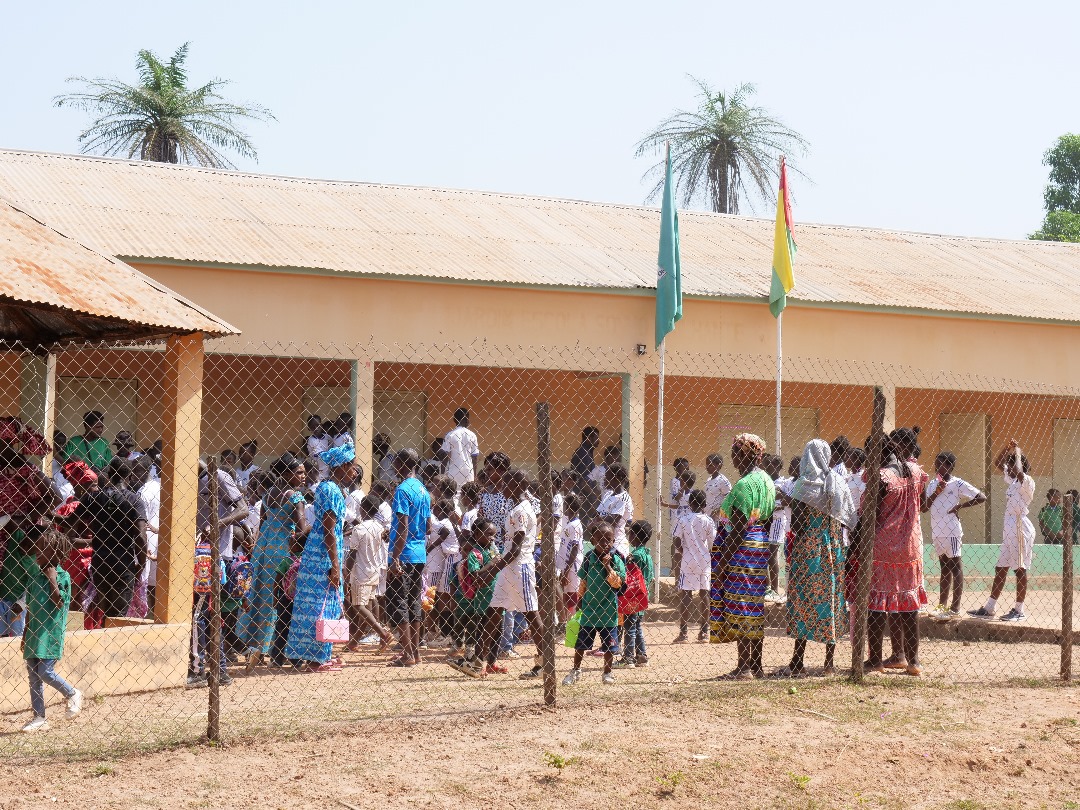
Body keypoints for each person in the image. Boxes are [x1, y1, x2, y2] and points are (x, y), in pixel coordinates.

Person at [778, 439, 857, 677]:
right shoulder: (838, 483)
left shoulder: (804, 485)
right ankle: (829, 663)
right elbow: (849, 519)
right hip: (832, 549)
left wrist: (791, 502)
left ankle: (797, 660)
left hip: (807, 551)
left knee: (803, 600)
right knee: (830, 599)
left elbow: (800, 524)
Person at [862, 427, 929, 676]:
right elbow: (919, 499)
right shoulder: (915, 472)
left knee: (877, 603)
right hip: (910, 546)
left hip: (883, 547)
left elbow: (871, 515)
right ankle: (912, 660)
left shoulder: (881, 477)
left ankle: (875, 659)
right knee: (908, 604)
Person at [711, 433, 776, 680]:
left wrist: (723, 563)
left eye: (734, 452)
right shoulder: (767, 481)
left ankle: (743, 666)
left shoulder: (742, 486)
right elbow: (767, 519)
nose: (732, 457)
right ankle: (757, 664)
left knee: (740, 603)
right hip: (759, 546)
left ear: (742, 455)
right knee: (754, 604)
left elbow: (737, 530)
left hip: (741, 550)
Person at [285, 444, 356, 671]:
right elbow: (328, 529)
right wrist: (335, 565)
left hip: (317, 552)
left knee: (313, 605)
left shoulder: (326, 488)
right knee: (324, 606)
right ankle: (318, 658)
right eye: (352, 467)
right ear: (343, 467)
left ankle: (318, 653)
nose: (354, 472)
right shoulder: (332, 491)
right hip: (325, 555)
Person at [244, 454, 308, 670]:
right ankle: (275, 648)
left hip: (262, 550)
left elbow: (262, 523)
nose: (303, 475)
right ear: (287, 473)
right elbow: (301, 528)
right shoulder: (295, 497)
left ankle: (256, 647)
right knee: (280, 599)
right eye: (298, 472)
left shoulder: (269, 494)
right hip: (283, 551)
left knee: (260, 596)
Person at [19, 527, 81, 733]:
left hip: (50, 634)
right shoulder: (34, 577)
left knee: (45, 672)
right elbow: (30, 608)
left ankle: (72, 693)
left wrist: (52, 578)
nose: (37, 552)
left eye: (42, 549)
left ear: (55, 553)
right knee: (33, 676)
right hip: (34, 634)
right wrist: (25, 633)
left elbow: (59, 602)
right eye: (37, 548)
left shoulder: (62, 577)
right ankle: (39, 717)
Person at [969, 441, 1036, 623]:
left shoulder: (1027, 481)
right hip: (1009, 528)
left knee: (1020, 569)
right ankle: (990, 607)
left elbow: (1021, 473)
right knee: (1001, 567)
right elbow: (998, 463)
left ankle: (1019, 610)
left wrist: (1019, 451)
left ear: (1020, 466)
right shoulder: (1013, 480)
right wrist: (1008, 448)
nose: (1009, 467)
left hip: (1021, 528)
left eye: (1013, 463)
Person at [74, 458, 147, 620]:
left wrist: (47, 513)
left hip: (100, 560)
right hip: (123, 562)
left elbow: (69, 521)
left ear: (109, 474)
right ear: (129, 477)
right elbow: (141, 537)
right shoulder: (134, 500)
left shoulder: (92, 498)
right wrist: (141, 564)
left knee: (105, 612)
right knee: (118, 616)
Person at [490, 469, 546, 679]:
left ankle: (544, 664)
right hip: (508, 567)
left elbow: (516, 548)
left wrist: (491, 571)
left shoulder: (522, 510)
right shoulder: (514, 508)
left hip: (520, 566)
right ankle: (483, 659)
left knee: (531, 614)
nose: (501, 487)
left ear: (516, 485)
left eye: (505, 483)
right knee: (494, 609)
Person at [923, 451, 986, 620]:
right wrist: (936, 492)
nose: (937, 467)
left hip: (951, 531)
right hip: (937, 531)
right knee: (944, 568)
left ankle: (955, 607)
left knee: (955, 567)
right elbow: (924, 507)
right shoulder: (932, 484)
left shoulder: (958, 484)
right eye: (936, 463)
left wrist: (960, 506)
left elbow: (981, 497)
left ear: (950, 466)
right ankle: (941, 606)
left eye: (941, 464)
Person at [562, 521, 626, 686]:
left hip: (609, 610)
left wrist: (608, 567)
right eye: (600, 539)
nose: (604, 543)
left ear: (613, 541)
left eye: (608, 539)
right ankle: (576, 670)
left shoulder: (616, 558)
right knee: (581, 644)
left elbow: (618, 583)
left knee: (610, 646)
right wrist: (580, 600)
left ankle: (607, 673)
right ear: (592, 540)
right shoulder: (589, 558)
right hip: (590, 610)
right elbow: (583, 581)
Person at [385, 449, 432, 667]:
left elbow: (402, 526)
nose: (393, 466)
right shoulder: (423, 489)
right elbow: (428, 525)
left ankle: (407, 654)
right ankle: (416, 653)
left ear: (402, 464)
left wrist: (394, 557)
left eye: (395, 462)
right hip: (419, 552)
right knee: (414, 602)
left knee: (401, 603)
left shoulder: (402, 490)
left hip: (403, 553)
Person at [344, 495, 394, 651]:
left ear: (362, 509)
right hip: (374, 570)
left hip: (360, 572)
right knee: (370, 603)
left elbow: (352, 554)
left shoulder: (358, 529)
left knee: (359, 606)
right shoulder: (379, 527)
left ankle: (382, 633)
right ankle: (354, 642)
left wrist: (346, 573)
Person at [673, 489, 712, 644]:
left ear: (690, 504)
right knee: (705, 594)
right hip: (704, 559)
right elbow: (712, 542)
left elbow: (676, 541)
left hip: (687, 559)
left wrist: (684, 551)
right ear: (704, 504)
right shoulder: (708, 520)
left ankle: (683, 633)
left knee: (686, 595)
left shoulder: (683, 519)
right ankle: (704, 632)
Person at [617, 519, 655, 669]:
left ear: (636, 536)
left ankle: (628, 657)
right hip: (642, 597)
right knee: (636, 625)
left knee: (629, 627)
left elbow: (629, 575)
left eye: (630, 534)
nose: (628, 537)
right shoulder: (647, 554)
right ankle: (642, 655)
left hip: (633, 596)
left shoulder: (635, 556)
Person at [765, 455, 797, 604]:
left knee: (772, 554)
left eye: (769, 465)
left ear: (777, 467)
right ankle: (767, 587)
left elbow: (783, 503)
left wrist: (770, 507)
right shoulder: (767, 482)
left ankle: (776, 588)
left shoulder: (782, 482)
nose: (766, 468)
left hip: (777, 520)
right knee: (766, 554)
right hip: (766, 520)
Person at [556, 492, 585, 622]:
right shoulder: (569, 523)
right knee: (566, 596)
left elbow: (574, 550)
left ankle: (573, 625)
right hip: (565, 566)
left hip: (572, 567)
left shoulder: (575, 525)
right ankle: (568, 624)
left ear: (568, 506)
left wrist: (566, 572)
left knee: (573, 595)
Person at [0, 528, 33, 637]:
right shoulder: (16, 541)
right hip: (2, 597)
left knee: (16, 636)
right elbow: (16, 524)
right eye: (25, 542)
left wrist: (22, 603)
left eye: (31, 546)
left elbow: (32, 586)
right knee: (1, 633)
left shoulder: (33, 563)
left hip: (17, 604)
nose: (25, 547)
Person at [597, 464, 633, 557]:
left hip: (617, 545)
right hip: (602, 543)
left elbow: (612, 521)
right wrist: (600, 519)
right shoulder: (607, 495)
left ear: (616, 479)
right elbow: (595, 516)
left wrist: (598, 521)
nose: (605, 480)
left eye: (607, 477)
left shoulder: (623, 497)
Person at [442, 408, 480, 489]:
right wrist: (475, 474)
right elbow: (475, 457)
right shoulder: (472, 435)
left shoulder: (449, 435)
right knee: (467, 494)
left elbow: (444, 456)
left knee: (453, 494)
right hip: (468, 471)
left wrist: (442, 474)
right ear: (467, 420)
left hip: (453, 471)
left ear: (454, 420)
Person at [704, 454, 732, 522]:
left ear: (718, 465)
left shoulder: (723, 481)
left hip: (718, 519)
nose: (707, 467)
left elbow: (729, 499)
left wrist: (717, 512)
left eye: (710, 465)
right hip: (707, 517)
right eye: (706, 464)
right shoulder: (709, 479)